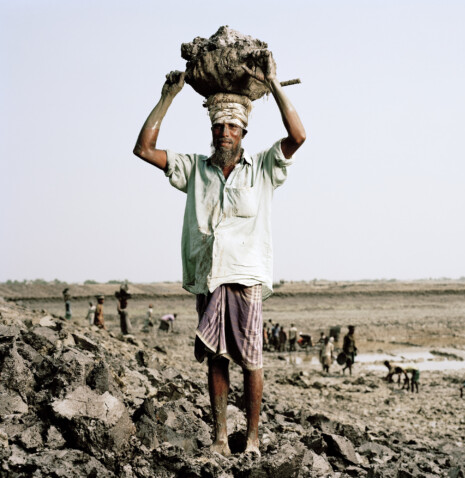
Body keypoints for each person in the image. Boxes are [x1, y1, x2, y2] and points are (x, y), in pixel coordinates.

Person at [133, 50, 305, 457]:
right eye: (219, 125)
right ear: (211, 130)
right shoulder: (194, 168)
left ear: (243, 133)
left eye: (232, 126)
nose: (224, 132)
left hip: (246, 278)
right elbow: (143, 149)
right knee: (215, 359)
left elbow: (297, 137)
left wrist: (275, 86)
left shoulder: (262, 167)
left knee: (251, 360)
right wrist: (168, 97)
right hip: (209, 276)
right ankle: (218, 438)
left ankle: (253, 439)